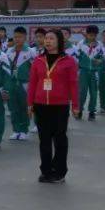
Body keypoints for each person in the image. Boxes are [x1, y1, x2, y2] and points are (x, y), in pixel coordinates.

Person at [27, 29, 79, 183]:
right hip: (41, 105)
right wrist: (29, 103)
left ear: (59, 41)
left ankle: (60, 171)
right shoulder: (38, 60)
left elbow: (73, 85)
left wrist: (75, 105)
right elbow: (33, 83)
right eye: (46, 38)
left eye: (51, 38)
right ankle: (46, 170)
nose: (47, 41)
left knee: (60, 139)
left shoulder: (68, 61)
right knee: (44, 140)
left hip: (60, 105)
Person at [5, 27, 35, 140]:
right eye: (15, 37)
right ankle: (16, 130)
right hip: (12, 83)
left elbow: (35, 69)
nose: (17, 39)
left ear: (25, 38)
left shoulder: (30, 52)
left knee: (24, 107)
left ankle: (24, 130)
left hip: (24, 83)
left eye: (20, 37)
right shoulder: (9, 51)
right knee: (13, 107)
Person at [75, 25, 103, 121]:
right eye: (90, 35)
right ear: (86, 34)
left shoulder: (99, 44)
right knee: (82, 93)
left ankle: (92, 112)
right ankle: (79, 111)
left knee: (94, 93)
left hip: (94, 72)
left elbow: (102, 57)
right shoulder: (81, 44)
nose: (92, 37)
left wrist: (100, 61)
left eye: (94, 35)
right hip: (83, 71)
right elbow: (76, 57)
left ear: (96, 35)